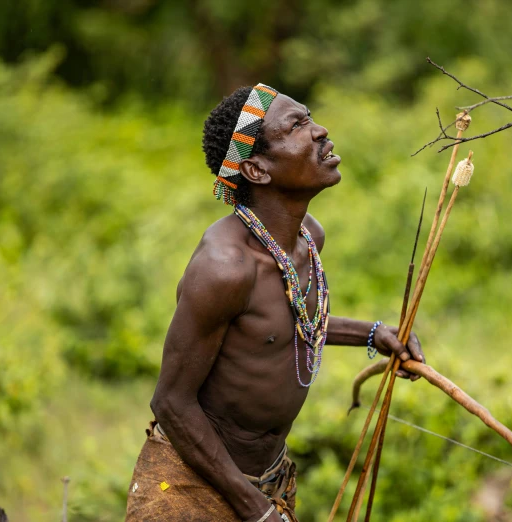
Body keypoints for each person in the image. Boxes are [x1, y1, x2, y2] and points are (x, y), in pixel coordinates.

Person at [125, 84, 424, 522]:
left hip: (268, 480)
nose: (321, 132)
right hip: (190, 487)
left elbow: (286, 323)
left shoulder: (307, 238)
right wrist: (256, 511)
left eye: (310, 117)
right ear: (257, 170)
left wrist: (372, 333)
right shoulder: (225, 268)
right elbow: (170, 402)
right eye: (297, 126)